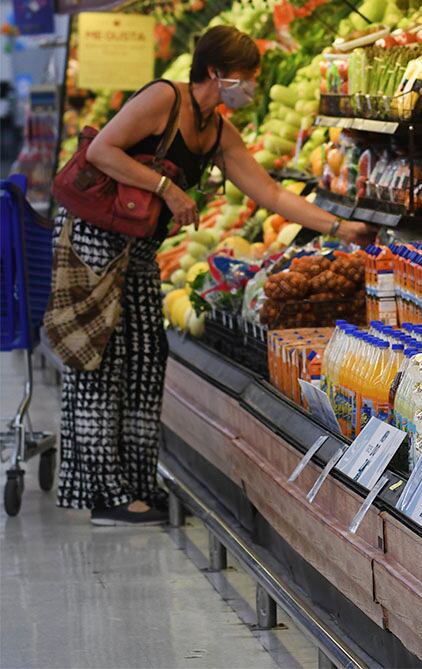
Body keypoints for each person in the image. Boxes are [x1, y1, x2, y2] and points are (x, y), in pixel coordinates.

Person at [55, 26, 373, 525]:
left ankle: (138, 484)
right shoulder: (164, 98)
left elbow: (270, 195)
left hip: (139, 248)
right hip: (96, 239)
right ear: (214, 73)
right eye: (245, 78)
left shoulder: (219, 132)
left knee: (145, 360)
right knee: (102, 359)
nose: (250, 88)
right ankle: (104, 495)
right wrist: (167, 188)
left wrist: (339, 226)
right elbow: (101, 152)